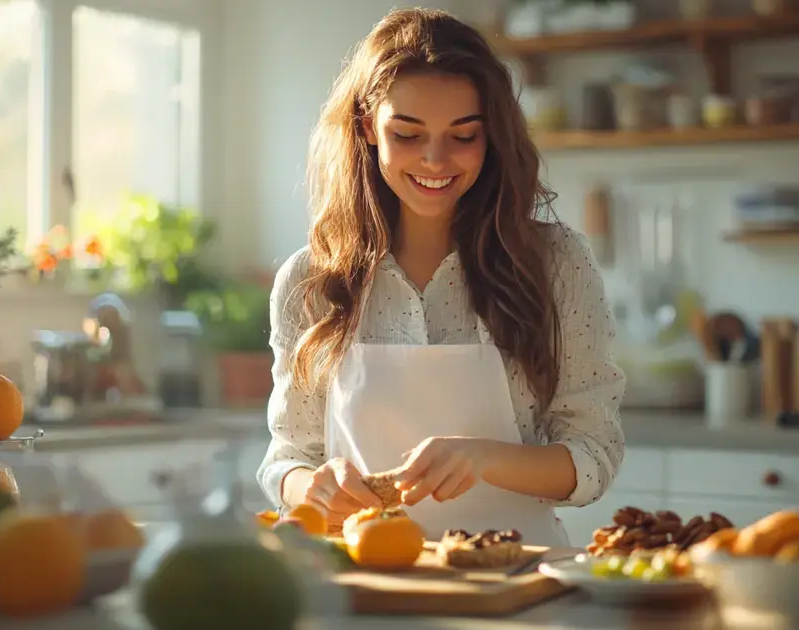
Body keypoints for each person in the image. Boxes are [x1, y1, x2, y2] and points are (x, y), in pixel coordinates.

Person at [256, 7, 625, 548]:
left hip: (517, 578)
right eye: (407, 134)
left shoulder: (555, 262)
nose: (435, 160)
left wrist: (484, 458)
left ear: (492, 137)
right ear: (367, 128)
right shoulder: (310, 280)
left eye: (463, 136)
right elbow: (286, 457)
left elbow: (594, 455)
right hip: (367, 581)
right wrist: (311, 487)